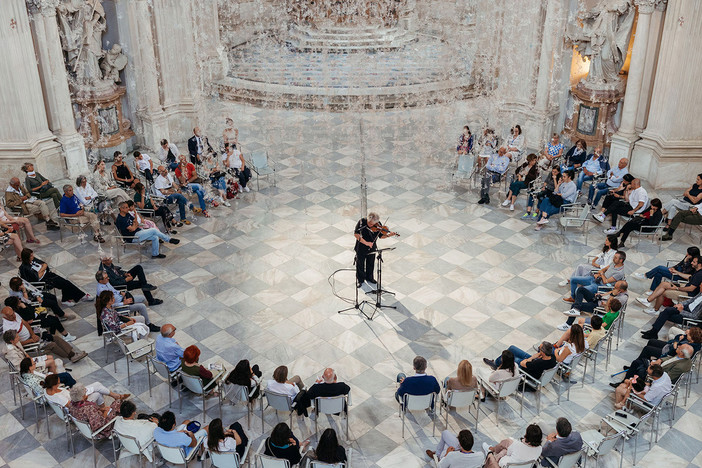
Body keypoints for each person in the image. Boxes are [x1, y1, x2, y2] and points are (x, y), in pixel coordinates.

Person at [19, 248, 92, 305]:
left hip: (48, 275)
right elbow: (36, 277)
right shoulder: (24, 268)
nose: (33, 256)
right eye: (31, 255)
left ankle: (67, 299)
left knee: (65, 282)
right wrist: (42, 270)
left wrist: (41, 270)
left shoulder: (33, 259)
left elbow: (45, 264)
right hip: (43, 281)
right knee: (65, 283)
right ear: (26, 257)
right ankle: (81, 296)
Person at [2, 330, 80, 381]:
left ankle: (51, 374)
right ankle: (54, 380)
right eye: (17, 337)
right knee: (51, 362)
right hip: (27, 367)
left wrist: (29, 357)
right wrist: (32, 363)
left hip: (29, 361)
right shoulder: (11, 353)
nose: (19, 338)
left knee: (50, 357)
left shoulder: (16, 342)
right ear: (11, 341)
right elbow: (20, 367)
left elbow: (24, 353)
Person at [95, 270, 160, 332]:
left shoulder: (106, 282)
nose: (108, 278)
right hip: (120, 306)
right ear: (100, 281)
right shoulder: (101, 291)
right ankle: (148, 324)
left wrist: (121, 293)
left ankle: (139, 313)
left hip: (122, 298)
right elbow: (110, 305)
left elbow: (114, 291)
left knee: (142, 298)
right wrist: (123, 303)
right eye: (106, 278)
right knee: (142, 306)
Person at [636, 255, 702, 315]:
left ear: (699, 264)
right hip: (685, 287)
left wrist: (677, 288)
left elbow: (691, 289)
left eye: (694, 262)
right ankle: (648, 300)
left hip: (687, 294)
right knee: (663, 284)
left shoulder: (699, 275)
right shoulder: (698, 271)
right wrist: (677, 272)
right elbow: (689, 277)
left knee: (663, 292)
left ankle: (655, 309)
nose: (691, 263)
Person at [115, 201, 180, 259]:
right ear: (121, 209)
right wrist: (135, 225)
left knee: (155, 237)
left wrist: (135, 224)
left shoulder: (127, 214)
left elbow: (136, 222)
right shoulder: (120, 219)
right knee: (153, 230)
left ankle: (155, 254)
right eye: (126, 207)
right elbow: (132, 228)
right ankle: (169, 240)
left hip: (138, 231)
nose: (128, 208)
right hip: (133, 237)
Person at [613, 343, 694, 389]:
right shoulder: (683, 357)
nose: (678, 346)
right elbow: (671, 358)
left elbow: (666, 377)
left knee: (638, 366)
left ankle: (628, 384)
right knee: (637, 362)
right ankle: (625, 381)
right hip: (659, 367)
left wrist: (653, 368)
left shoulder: (680, 366)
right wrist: (660, 360)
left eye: (680, 347)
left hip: (656, 374)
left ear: (682, 353)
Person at [353, 212, 398, 287]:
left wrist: (389, 235)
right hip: (361, 246)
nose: (371, 226)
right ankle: (360, 280)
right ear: (368, 219)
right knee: (360, 264)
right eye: (370, 223)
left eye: (373, 224)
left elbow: (381, 236)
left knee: (371, 263)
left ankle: (369, 278)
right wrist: (366, 243)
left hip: (372, 246)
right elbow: (356, 234)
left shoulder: (378, 224)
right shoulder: (362, 222)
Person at [98, 254, 162, 306]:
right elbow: (114, 283)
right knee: (141, 283)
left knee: (138, 268)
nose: (111, 260)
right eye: (109, 259)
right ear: (104, 261)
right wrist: (126, 280)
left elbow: (116, 271)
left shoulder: (108, 264)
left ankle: (145, 286)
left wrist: (125, 274)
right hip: (122, 284)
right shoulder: (105, 272)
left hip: (122, 277)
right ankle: (151, 300)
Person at [42, 370, 128, 408]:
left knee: (97, 386)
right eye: (58, 383)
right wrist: (83, 397)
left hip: (74, 395)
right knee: (97, 391)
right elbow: (71, 406)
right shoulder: (58, 398)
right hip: (77, 402)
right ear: (53, 385)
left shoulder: (47, 390)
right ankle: (112, 399)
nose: (60, 383)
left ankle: (104, 407)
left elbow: (65, 392)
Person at [4, 295, 75, 341]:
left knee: (54, 319)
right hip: (36, 321)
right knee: (54, 320)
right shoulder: (18, 312)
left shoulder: (21, 304)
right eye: (18, 301)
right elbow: (29, 317)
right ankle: (65, 335)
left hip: (37, 315)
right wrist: (25, 308)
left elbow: (31, 308)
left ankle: (52, 336)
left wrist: (28, 309)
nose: (20, 300)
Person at [634, 246, 700, 295]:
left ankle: (646, 276)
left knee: (659, 268)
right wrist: (673, 267)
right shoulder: (688, 257)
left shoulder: (694, 263)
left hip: (679, 276)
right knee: (658, 273)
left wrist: (685, 263)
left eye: (688, 254)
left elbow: (685, 273)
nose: (686, 254)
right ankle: (653, 290)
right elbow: (679, 264)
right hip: (676, 271)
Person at [484, 341, 557, 381]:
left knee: (510, 357)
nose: (538, 349)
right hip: (532, 362)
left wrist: (530, 358)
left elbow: (522, 363)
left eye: (539, 349)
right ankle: (497, 363)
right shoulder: (552, 357)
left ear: (543, 352)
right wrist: (535, 357)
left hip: (527, 368)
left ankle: (496, 364)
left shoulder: (538, 363)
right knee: (512, 348)